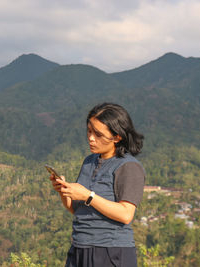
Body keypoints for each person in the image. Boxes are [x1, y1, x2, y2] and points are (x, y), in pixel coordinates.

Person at [50, 102, 145, 267]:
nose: (91, 138)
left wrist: (88, 195)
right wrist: (64, 192)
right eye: (89, 131)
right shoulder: (90, 162)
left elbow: (126, 214)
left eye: (98, 134)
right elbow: (76, 209)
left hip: (110, 252)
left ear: (117, 136)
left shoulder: (128, 166)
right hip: (79, 248)